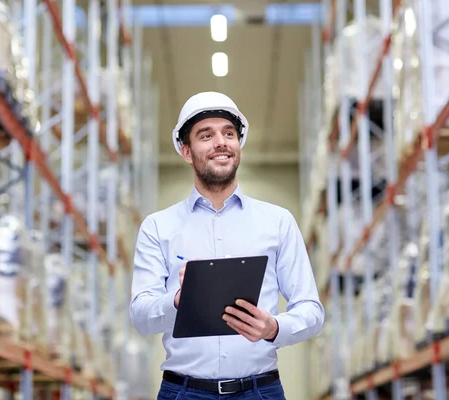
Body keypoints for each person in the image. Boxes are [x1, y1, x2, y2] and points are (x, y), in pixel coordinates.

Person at [129, 91, 325, 399]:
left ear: (238, 146)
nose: (221, 142)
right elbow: (141, 316)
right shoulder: (158, 227)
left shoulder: (278, 221)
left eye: (229, 133)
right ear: (186, 151)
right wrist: (180, 299)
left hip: (260, 390)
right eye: (206, 135)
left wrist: (273, 328)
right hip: (184, 391)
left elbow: (312, 310)